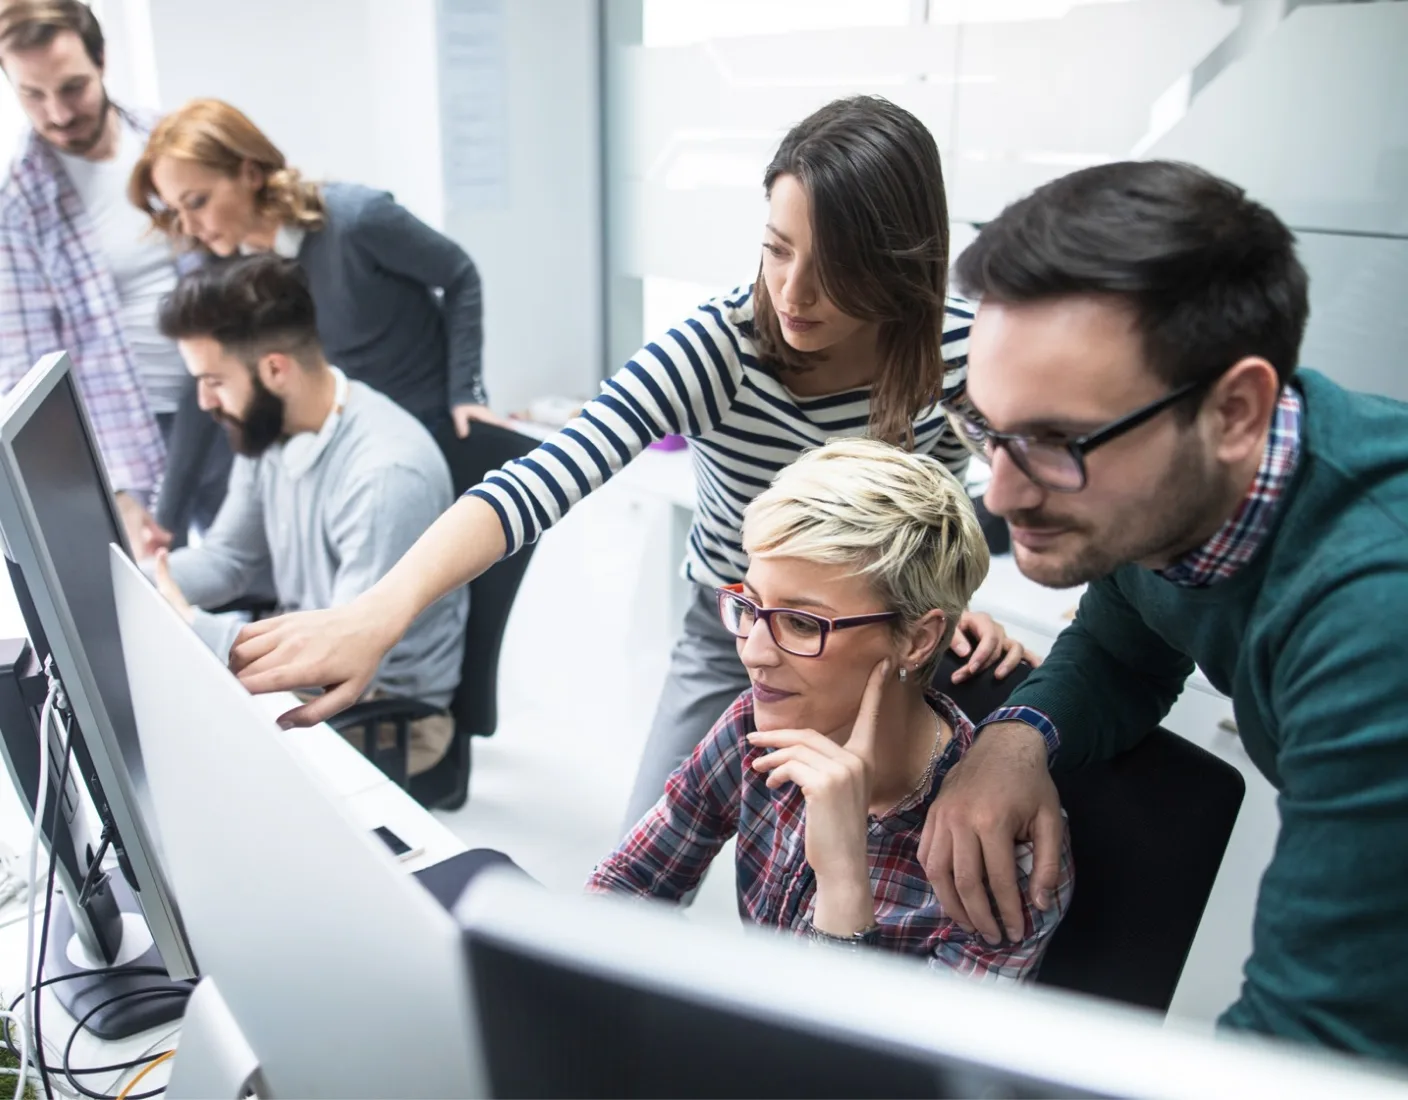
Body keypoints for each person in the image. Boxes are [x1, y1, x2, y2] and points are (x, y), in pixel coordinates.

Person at [220, 95, 1034, 832]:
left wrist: (944, 602)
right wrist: (377, 612)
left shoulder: (958, 352)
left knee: (858, 877)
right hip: (736, 634)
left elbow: (983, 500)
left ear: (897, 263)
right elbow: (543, 476)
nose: (793, 292)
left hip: (885, 641)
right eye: (776, 250)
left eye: (834, 271)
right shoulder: (720, 348)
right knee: (640, 859)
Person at [918, 160, 1408, 1061]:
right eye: (990, 429)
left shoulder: (1380, 618)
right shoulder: (1174, 502)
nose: (1008, 494)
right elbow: (1125, 642)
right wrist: (1016, 734)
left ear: (1235, 411)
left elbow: (1309, 1052)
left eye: (1061, 442)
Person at [588, 438, 1072, 976]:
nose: (753, 653)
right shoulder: (754, 725)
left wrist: (843, 881)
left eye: (801, 623)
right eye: (750, 606)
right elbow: (624, 889)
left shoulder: (1001, 855)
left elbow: (871, 1062)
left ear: (916, 640)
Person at [150, 254, 468, 777]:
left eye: (213, 381)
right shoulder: (271, 428)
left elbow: (339, 659)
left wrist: (190, 625)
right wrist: (133, 578)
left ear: (275, 369)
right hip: (312, 665)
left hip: (384, 713)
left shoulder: (385, 473)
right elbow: (229, 558)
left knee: (184, 765)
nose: (204, 402)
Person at [128, 97, 495, 441]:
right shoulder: (230, 267)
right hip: (353, 434)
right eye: (176, 211)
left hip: (430, 423)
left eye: (197, 202)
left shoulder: (357, 220)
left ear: (250, 173)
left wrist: (467, 391)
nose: (189, 227)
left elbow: (459, 274)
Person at [0, 0, 227, 555]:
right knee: (184, 590)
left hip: (232, 394)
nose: (56, 113)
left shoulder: (167, 139)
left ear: (101, 60)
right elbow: (29, 373)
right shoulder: (20, 206)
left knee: (270, 570)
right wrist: (119, 489)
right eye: (32, 94)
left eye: (72, 87)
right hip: (139, 432)